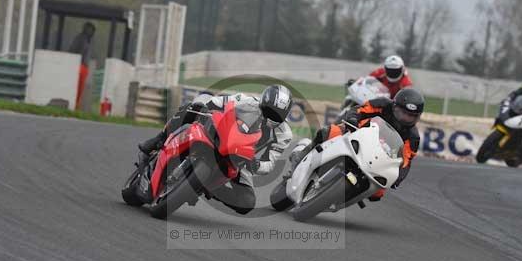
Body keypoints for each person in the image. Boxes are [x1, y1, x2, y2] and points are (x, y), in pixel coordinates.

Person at [139, 85, 294, 214]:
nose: (270, 118)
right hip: (219, 135)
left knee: (247, 202)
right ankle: (159, 139)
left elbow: (270, 162)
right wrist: (207, 109)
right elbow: (217, 102)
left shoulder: (284, 135)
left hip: (241, 160)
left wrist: (256, 165)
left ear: (285, 116)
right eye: (269, 111)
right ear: (262, 103)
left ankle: (208, 188)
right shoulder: (246, 101)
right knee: (196, 105)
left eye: (276, 116)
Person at [288, 88, 424, 201]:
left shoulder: (413, 137)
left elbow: (406, 161)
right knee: (328, 132)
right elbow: (358, 110)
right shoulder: (382, 104)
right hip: (356, 134)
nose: (406, 118)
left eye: (411, 116)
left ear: (417, 117)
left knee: (378, 193)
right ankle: (300, 157)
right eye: (402, 113)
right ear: (394, 107)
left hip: (379, 158)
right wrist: (353, 119)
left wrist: (398, 178)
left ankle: (342, 197)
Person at [68, 22, 96, 109]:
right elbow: (72, 51)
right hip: (79, 66)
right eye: (90, 30)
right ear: (86, 29)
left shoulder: (87, 40)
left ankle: (76, 105)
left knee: (80, 89)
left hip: (84, 67)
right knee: (77, 88)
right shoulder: (80, 38)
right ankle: (74, 105)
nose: (91, 33)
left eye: (92, 31)